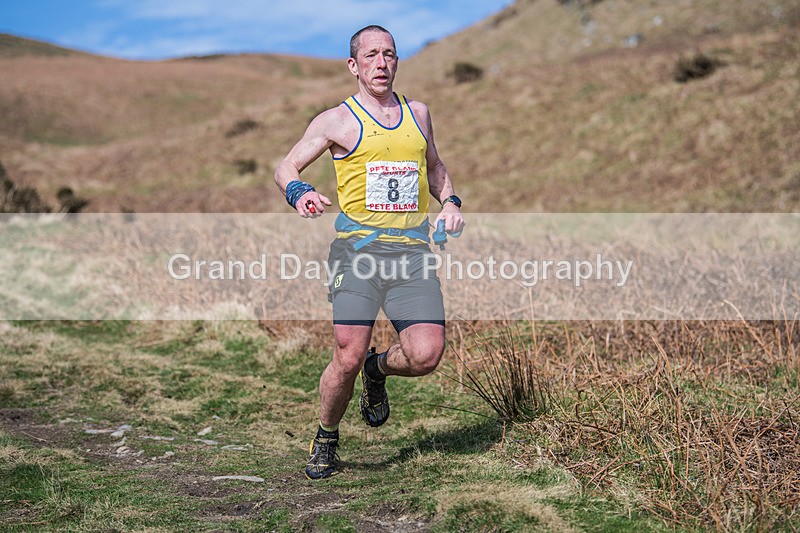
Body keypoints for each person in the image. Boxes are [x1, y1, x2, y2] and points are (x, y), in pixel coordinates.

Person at [274, 24, 465, 480]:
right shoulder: (336, 120)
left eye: (390, 54)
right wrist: (299, 191)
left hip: (412, 255)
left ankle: (378, 371)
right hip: (357, 254)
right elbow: (286, 166)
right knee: (346, 356)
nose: (382, 63)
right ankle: (326, 437)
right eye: (372, 55)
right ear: (353, 65)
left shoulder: (418, 114)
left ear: (397, 62)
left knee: (426, 355)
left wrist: (452, 203)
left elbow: (435, 168)